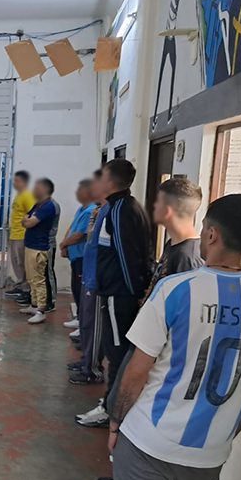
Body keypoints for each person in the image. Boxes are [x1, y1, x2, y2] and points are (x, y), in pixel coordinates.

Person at [107, 194, 241, 480]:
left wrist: (115, 423)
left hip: (148, 440)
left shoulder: (175, 289)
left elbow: (136, 372)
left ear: (211, 235)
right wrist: (229, 427)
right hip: (209, 449)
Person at [78, 177, 204, 480]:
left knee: (128, 404)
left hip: (154, 360)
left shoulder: (187, 259)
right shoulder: (174, 249)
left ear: (169, 209)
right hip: (144, 344)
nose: (152, 208)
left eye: (158, 202)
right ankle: (121, 478)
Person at [76, 160, 153, 427]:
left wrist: (136, 293)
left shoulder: (120, 210)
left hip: (119, 295)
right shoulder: (118, 207)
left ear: (110, 181)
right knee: (115, 351)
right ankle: (111, 403)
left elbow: (127, 255)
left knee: (117, 353)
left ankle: (112, 410)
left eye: (101, 177)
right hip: (116, 293)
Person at [67, 171, 107, 387]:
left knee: (94, 324)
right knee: (86, 318)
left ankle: (92, 370)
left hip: (96, 277)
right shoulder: (98, 211)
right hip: (89, 272)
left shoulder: (108, 212)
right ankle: (86, 361)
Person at [20, 178, 58, 324]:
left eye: (37, 187)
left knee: (38, 279)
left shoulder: (49, 206)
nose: (34, 190)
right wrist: (27, 221)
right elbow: (24, 220)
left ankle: (41, 310)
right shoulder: (38, 205)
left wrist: (28, 221)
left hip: (40, 247)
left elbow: (29, 222)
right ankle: (34, 305)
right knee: (31, 278)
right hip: (30, 244)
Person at [59, 179, 96, 329]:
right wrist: (64, 245)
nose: (77, 193)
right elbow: (71, 228)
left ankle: (83, 322)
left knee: (81, 290)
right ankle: (79, 317)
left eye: (80, 191)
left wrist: (64, 244)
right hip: (75, 256)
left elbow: (79, 235)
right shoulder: (81, 209)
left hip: (82, 257)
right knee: (75, 287)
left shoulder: (90, 211)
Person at [5, 171, 35, 302]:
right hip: (15, 234)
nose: (14, 183)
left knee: (23, 263)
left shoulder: (28, 196)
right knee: (17, 263)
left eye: (17, 181)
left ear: (24, 182)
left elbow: (32, 215)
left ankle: (27, 291)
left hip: (22, 235)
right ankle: (21, 285)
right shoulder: (19, 195)